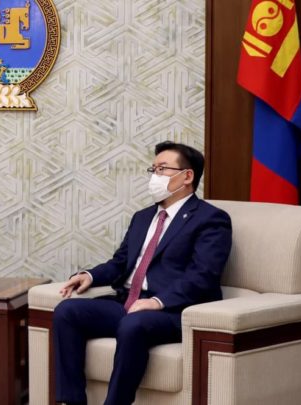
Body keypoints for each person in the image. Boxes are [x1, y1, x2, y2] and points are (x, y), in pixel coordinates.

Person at [52, 141, 232, 405]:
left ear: (187, 176)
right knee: (67, 311)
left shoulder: (210, 219)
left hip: (173, 310)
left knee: (133, 324)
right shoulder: (143, 217)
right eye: (153, 169)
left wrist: (157, 301)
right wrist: (89, 276)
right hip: (128, 302)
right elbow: (120, 262)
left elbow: (203, 275)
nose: (155, 176)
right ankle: (72, 401)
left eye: (162, 169)